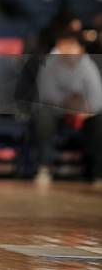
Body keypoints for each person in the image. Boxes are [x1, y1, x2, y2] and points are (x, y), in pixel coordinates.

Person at [33, 30, 102, 187]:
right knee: (43, 115)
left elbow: (97, 98)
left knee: (99, 119)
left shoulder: (88, 66)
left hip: (82, 113)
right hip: (56, 111)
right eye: (63, 45)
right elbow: (46, 94)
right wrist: (68, 104)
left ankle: (98, 173)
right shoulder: (50, 63)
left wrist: (85, 111)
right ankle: (45, 168)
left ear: (81, 49)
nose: (67, 49)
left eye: (72, 45)